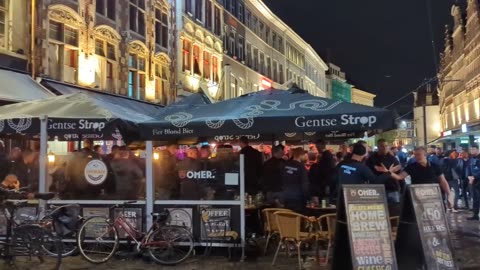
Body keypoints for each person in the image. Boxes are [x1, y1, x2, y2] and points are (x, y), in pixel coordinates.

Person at [337, 143, 401, 188]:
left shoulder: (342, 163)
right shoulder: (362, 168)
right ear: (365, 154)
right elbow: (375, 181)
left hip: (342, 197)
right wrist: (388, 172)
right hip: (355, 198)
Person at [366, 139, 402, 204]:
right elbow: (370, 171)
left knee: (395, 210)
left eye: (386, 146)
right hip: (377, 189)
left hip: (392, 188)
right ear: (378, 146)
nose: (385, 147)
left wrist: (387, 171)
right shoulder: (372, 158)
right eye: (382, 146)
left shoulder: (392, 158)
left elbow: (398, 170)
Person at [280, 147, 309, 213]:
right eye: (304, 154)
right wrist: (307, 198)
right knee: (298, 219)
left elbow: (280, 180)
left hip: (286, 197)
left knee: (288, 218)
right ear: (301, 155)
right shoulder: (301, 167)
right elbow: (305, 185)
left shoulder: (285, 165)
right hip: (298, 199)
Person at [468, 144, 480, 220]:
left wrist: (474, 177)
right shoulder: (472, 158)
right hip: (474, 181)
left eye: (473, 149)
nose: (472, 151)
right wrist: (469, 176)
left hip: (478, 180)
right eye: (471, 149)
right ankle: (475, 215)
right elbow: (469, 168)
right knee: (475, 198)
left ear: (478, 149)